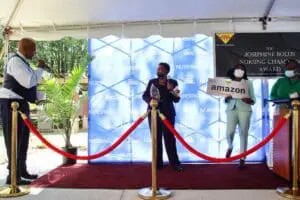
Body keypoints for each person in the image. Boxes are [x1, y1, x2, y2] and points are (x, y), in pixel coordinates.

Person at [0, 38, 48, 185]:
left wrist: (39, 96)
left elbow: (28, 85)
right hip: (11, 104)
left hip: (20, 103)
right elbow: (28, 81)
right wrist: (40, 68)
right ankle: (13, 177)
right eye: (33, 50)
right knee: (13, 139)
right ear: (24, 49)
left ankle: (21, 170)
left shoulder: (23, 63)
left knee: (23, 139)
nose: (34, 53)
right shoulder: (15, 62)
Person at [142, 62, 183, 172]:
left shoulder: (173, 82)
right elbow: (144, 95)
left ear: (166, 71)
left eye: (161, 69)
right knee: (156, 139)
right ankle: (157, 164)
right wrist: (150, 101)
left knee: (169, 139)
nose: (158, 70)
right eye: (158, 68)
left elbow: (177, 99)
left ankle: (175, 164)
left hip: (168, 115)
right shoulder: (152, 82)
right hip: (153, 114)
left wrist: (170, 90)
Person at [224, 64, 256, 168]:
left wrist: (248, 100)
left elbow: (253, 100)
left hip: (245, 110)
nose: (240, 70)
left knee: (243, 134)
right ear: (234, 70)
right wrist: (227, 97)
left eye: (242, 69)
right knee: (229, 131)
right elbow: (225, 99)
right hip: (231, 109)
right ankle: (230, 146)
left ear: (244, 72)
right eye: (238, 68)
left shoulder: (248, 83)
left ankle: (242, 158)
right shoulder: (228, 82)